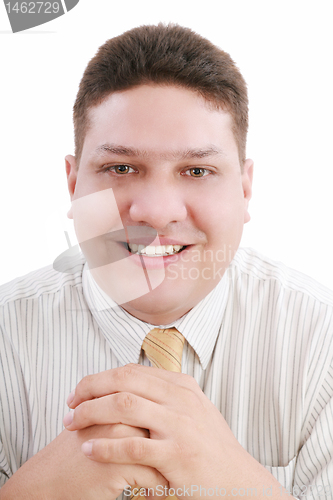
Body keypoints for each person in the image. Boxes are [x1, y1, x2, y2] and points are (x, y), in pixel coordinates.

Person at [0, 23, 332, 499]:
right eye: (120, 168)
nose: (155, 211)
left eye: (197, 170)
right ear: (73, 185)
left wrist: (241, 484)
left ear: (243, 188)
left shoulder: (323, 346)